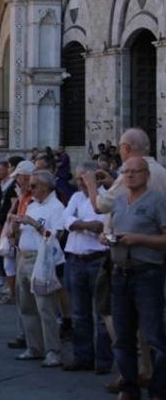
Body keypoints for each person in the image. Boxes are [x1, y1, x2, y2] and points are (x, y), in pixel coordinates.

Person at [107, 157, 166, 400]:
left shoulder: (157, 202)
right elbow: (111, 230)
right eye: (126, 172)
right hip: (120, 274)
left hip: (147, 274)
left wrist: (138, 239)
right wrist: (108, 239)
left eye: (135, 172)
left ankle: (159, 390)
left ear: (146, 175)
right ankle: (129, 387)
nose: (130, 176)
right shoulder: (119, 203)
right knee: (123, 337)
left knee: (154, 337)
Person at [10, 170, 66, 368]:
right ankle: (34, 346)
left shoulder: (56, 207)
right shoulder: (32, 205)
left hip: (41, 259)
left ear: (45, 186)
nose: (30, 189)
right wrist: (15, 228)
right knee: (26, 305)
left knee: (45, 306)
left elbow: (55, 236)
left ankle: (53, 350)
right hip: (23, 257)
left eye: (33, 186)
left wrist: (34, 224)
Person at [61, 163, 112, 374]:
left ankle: (103, 360)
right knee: (79, 313)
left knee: (102, 313)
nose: (82, 183)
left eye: (85, 179)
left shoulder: (105, 198)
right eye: (79, 179)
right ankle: (83, 356)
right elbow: (65, 220)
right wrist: (84, 225)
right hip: (75, 258)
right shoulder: (75, 198)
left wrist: (78, 224)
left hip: (97, 258)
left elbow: (102, 224)